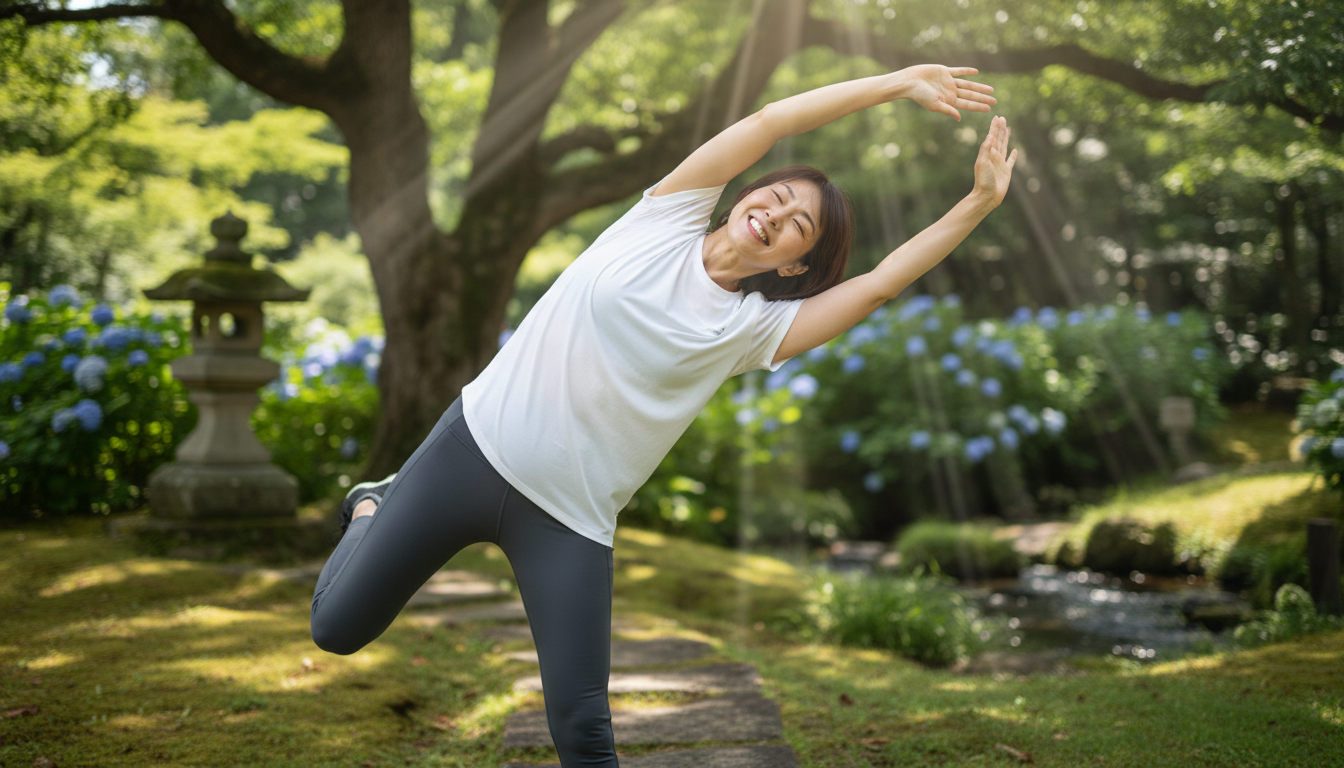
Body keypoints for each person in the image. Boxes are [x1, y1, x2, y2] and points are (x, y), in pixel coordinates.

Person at [310, 64, 1014, 767]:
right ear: (747, 194)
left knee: (584, 728)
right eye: (775, 196)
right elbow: (770, 120)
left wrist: (979, 203)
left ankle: (377, 502)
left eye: (799, 225)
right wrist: (896, 84)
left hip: (569, 517)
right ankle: (372, 504)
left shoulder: (753, 328)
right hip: (471, 450)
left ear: (796, 265)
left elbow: (879, 284)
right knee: (336, 630)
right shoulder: (665, 216)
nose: (775, 215)